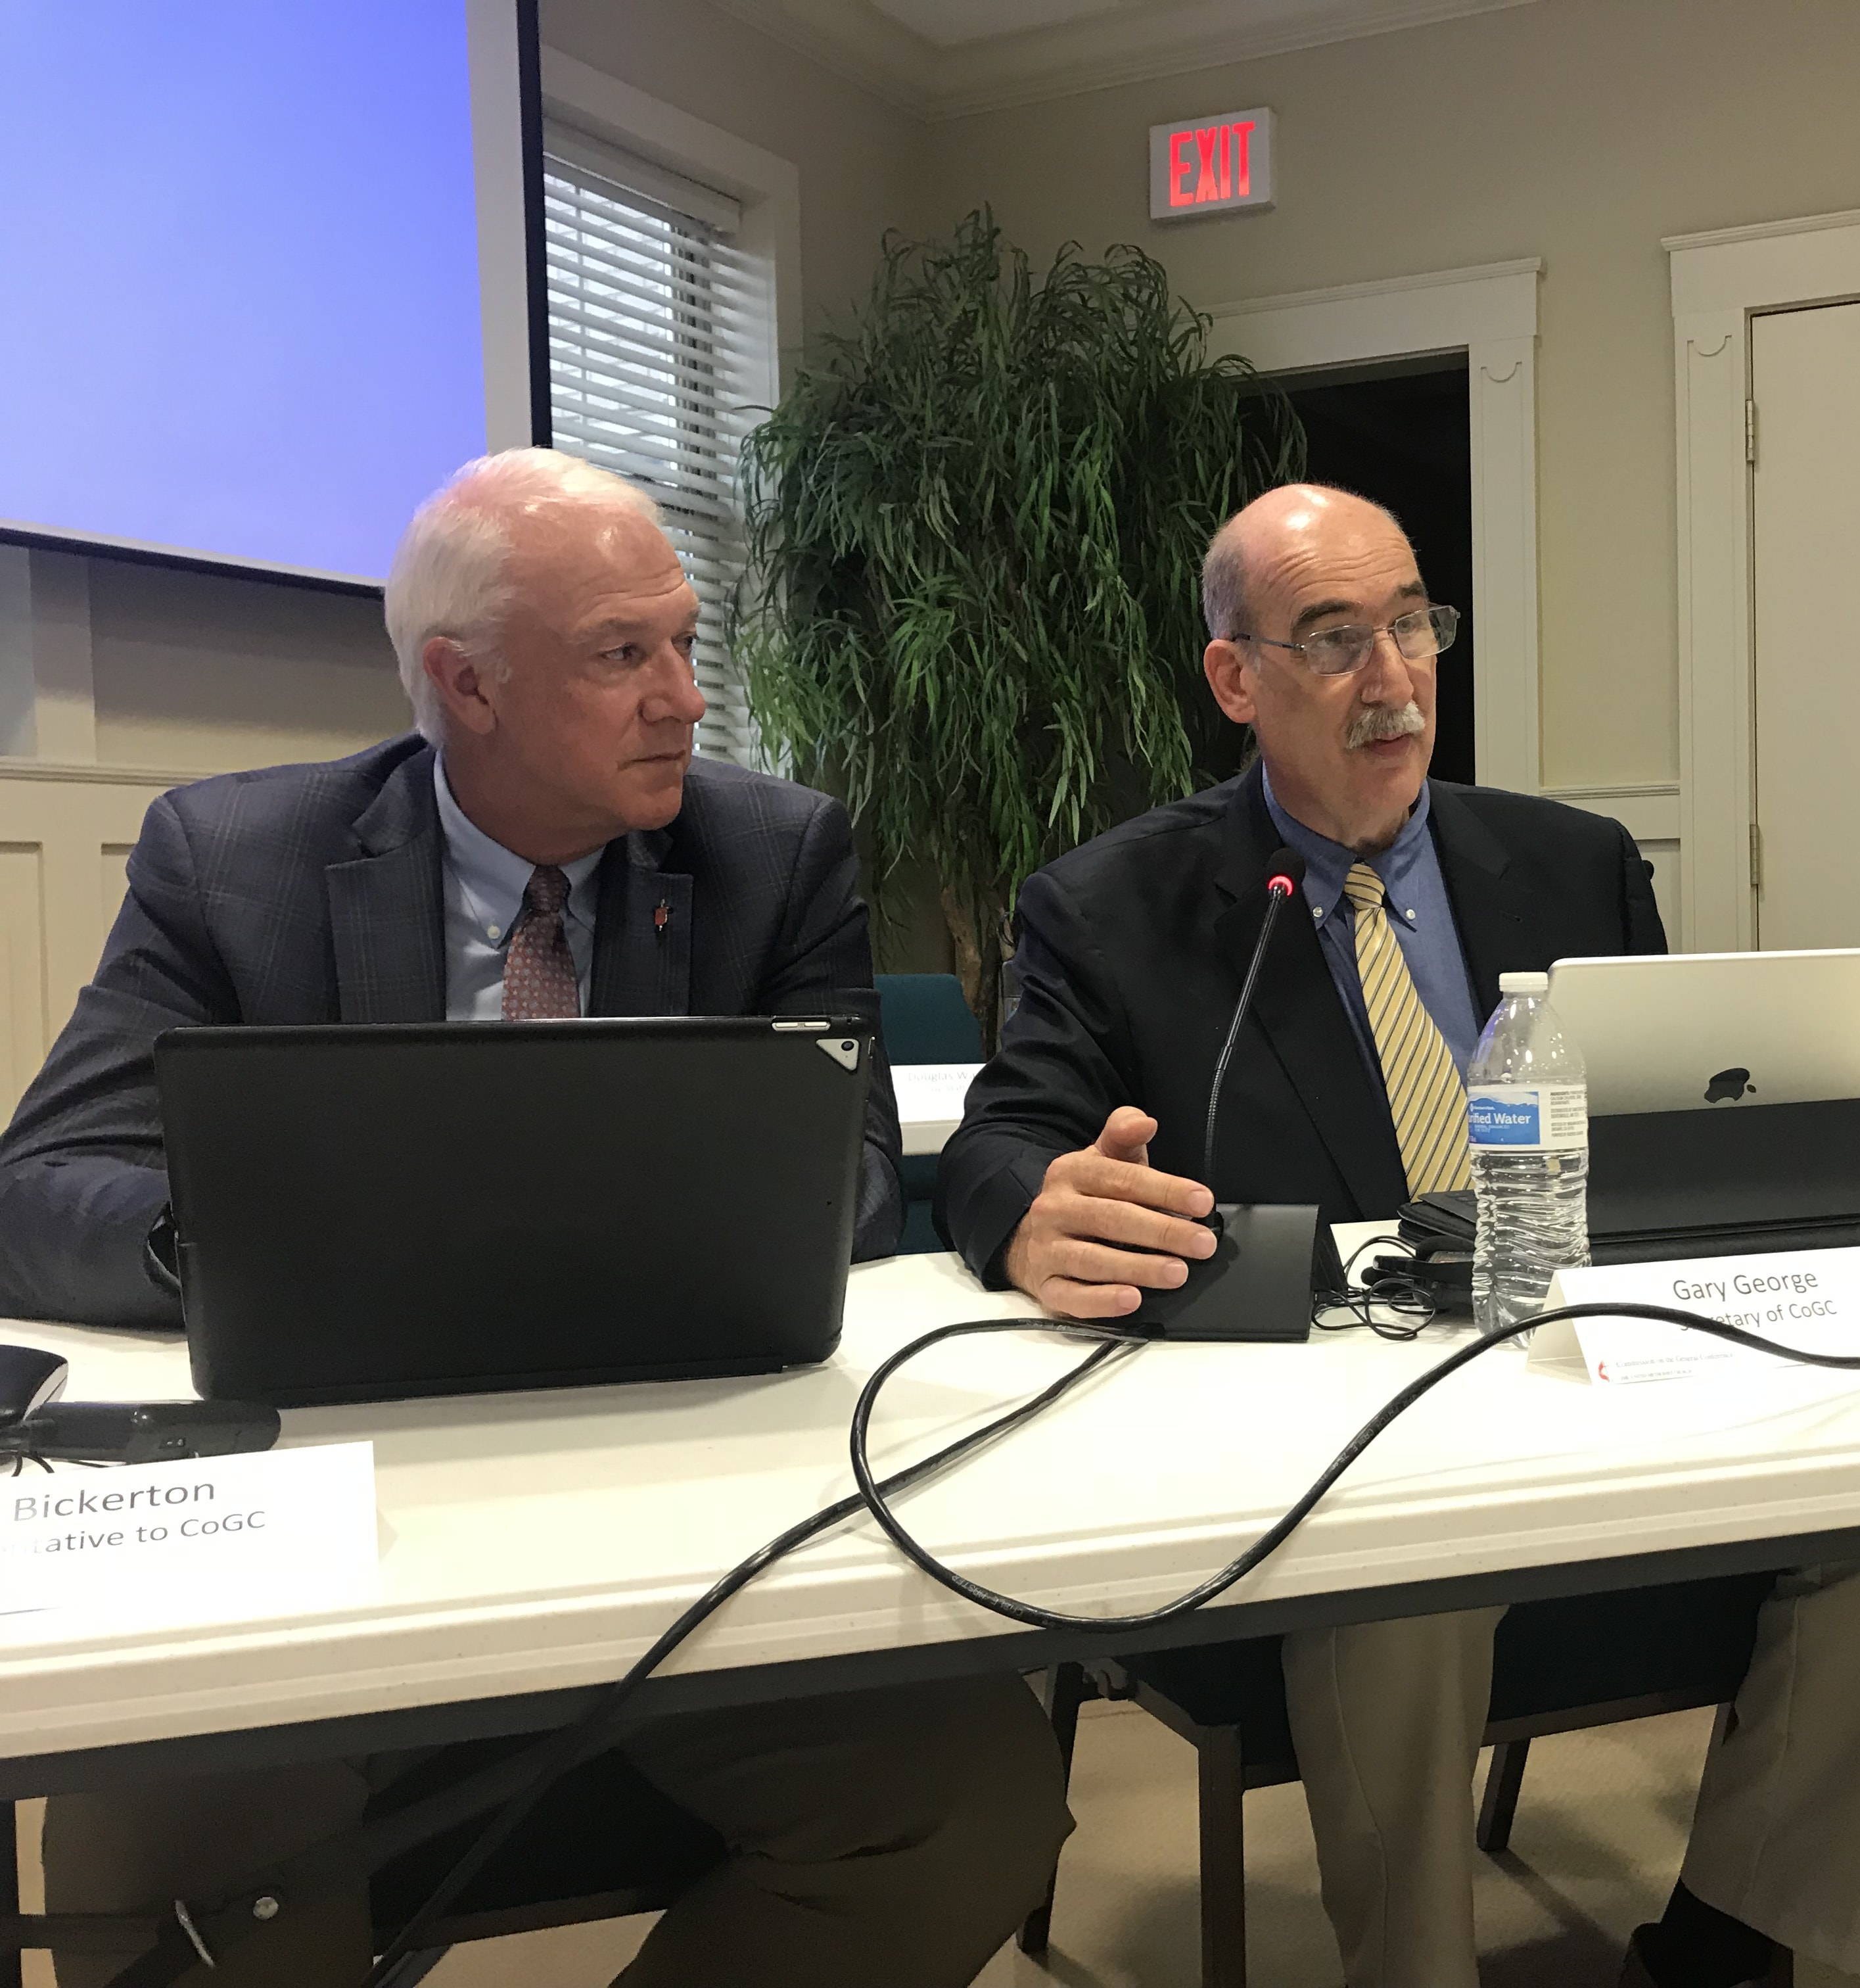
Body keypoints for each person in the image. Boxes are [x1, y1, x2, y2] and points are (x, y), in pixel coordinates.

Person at [0, 449, 1068, 1987]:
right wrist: (267, 1243)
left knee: (969, 1804)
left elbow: (841, 1185)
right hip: (328, 1497)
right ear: (468, 685)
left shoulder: (774, 857)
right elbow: (38, 1190)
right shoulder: (234, 860)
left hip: (677, 1501)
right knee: (150, 1851)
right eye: (625, 654)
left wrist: (552, 1227)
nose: (688, 697)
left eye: (686, 644)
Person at [939, 481, 1860, 1988]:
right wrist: (1028, 1209)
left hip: (1603, 1368)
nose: (1394, 677)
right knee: (1408, 1566)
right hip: (1348, 1422)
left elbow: (1673, 1127)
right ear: (1236, 678)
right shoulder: (1115, 907)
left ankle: (1744, 1944)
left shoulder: (1573, 865)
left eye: (1414, 625)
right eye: (1334, 639)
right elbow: (1000, 1143)